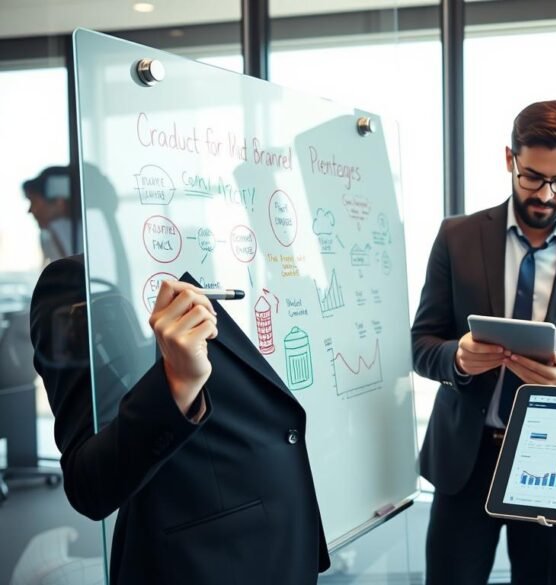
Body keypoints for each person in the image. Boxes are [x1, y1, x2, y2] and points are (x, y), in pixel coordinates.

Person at [412, 100, 556, 585]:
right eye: (533, 177)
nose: (546, 194)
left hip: (555, 469)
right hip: (465, 462)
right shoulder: (458, 237)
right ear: (509, 158)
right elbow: (421, 344)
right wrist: (458, 358)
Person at [30, 256, 330, 584]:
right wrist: (176, 385)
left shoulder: (251, 256)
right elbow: (89, 483)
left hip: (292, 548)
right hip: (202, 566)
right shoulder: (80, 285)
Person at [22, 166, 82, 263]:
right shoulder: (48, 236)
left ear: (60, 202)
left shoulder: (90, 235)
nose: (30, 210)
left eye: (34, 201)